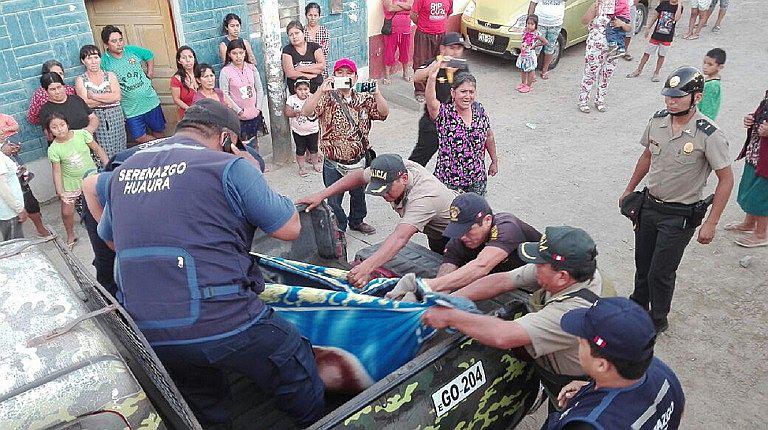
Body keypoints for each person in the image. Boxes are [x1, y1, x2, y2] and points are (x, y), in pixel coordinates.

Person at [88, 99, 324, 427]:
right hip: (224, 320)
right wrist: (251, 170)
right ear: (227, 138)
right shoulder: (230, 167)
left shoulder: (125, 171)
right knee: (291, 355)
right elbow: (289, 228)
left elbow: (111, 240)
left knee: (198, 393)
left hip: (147, 332)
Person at [419, 226, 614, 411]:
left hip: (583, 388)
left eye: (540, 263)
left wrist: (450, 317)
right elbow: (503, 280)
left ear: (562, 276)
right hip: (565, 370)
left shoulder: (574, 311)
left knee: (566, 416)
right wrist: (453, 299)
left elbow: (503, 336)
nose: (534, 266)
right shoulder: (575, 270)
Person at [620, 66, 734, 333]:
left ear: (697, 97)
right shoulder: (658, 121)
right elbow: (647, 157)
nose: (671, 101)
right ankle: (637, 308)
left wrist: (712, 223)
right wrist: (629, 189)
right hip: (649, 206)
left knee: (661, 271)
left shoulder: (709, 134)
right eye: (668, 96)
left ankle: (657, 319)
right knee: (643, 264)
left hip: (679, 215)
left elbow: (726, 180)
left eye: (678, 97)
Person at [299, 153, 458, 287]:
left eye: (387, 190)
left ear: (403, 178)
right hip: (436, 231)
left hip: (458, 236)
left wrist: (366, 267)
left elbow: (400, 238)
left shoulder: (424, 197)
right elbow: (358, 176)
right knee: (437, 259)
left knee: (450, 282)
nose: (384, 195)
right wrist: (322, 195)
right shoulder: (389, 169)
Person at [548, 297, 685, 429]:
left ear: (601, 365)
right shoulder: (661, 372)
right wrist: (589, 392)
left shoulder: (589, 425)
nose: (578, 343)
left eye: (581, 343)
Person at [301, 58, 389, 235]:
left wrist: (377, 93)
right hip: (334, 163)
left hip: (359, 161)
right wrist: (320, 90)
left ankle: (357, 221)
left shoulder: (363, 98)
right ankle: (339, 228)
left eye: (348, 73)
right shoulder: (326, 98)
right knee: (333, 200)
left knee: (359, 196)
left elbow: (383, 113)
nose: (344, 76)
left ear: (355, 78)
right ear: (333, 76)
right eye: (339, 73)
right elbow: (306, 111)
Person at [393, 192, 540, 294]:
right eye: (459, 229)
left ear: (487, 220)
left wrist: (423, 286)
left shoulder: (507, 227)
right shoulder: (460, 239)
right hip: (505, 283)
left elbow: (481, 266)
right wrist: (428, 298)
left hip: (540, 283)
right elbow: (445, 278)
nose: (462, 237)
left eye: (468, 230)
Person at [426, 69, 497, 195]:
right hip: (448, 182)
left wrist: (494, 161)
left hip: (476, 179)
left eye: (471, 92)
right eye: (463, 91)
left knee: (474, 213)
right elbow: (431, 102)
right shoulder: (444, 114)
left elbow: (489, 136)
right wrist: (432, 78)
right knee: (449, 214)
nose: (468, 96)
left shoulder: (479, 110)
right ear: (453, 93)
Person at [46, 113, 108, 247]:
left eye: (62, 125)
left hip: (90, 177)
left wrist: (107, 165)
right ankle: (70, 235)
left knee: (100, 205)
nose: (60, 129)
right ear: (50, 131)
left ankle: (106, 230)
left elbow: (97, 149)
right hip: (71, 183)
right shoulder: (53, 149)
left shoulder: (82, 134)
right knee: (67, 212)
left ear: (67, 124)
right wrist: (60, 191)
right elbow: (57, 171)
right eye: (54, 127)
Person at [408, 33, 467, 167]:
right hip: (432, 123)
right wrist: (436, 66)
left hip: (454, 123)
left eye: (459, 48)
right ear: (442, 49)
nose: (456, 52)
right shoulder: (434, 63)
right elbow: (417, 77)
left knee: (454, 160)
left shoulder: (462, 66)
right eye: (452, 48)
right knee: (418, 160)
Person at [101, 25, 165, 144]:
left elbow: (149, 55)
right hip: (131, 108)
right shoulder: (104, 61)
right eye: (114, 41)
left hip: (150, 101)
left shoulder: (131, 50)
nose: (119, 43)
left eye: (120, 40)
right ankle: (159, 144)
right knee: (139, 138)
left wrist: (150, 72)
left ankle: (163, 148)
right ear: (106, 44)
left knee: (159, 131)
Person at [727, 91, 768, 248]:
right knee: (749, 189)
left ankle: (761, 234)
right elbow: (761, 113)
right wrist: (751, 119)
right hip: (757, 153)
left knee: (760, 196)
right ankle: (749, 223)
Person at [578, 0, 632, 114]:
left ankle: (600, 100)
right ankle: (583, 101)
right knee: (590, 74)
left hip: (613, 50)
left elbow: (629, 27)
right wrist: (594, 7)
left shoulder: (622, 6)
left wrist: (621, 24)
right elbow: (584, 21)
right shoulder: (598, 5)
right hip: (596, 47)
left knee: (607, 75)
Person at [75, 45, 127, 159]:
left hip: (115, 116)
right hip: (95, 118)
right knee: (101, 148)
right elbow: (86, 103)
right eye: (89, 58)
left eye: (96, 57)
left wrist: (94, 96)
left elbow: (117, 96)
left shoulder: (110, 75)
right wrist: (107, 98)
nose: (93, 61)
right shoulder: (81, 80)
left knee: (119, 144)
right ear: (83, 61)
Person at [0, 115, 48, 237]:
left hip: (17, 178)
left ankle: (41, 229)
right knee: (12, 231)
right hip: (6, 190)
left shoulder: (5, 139)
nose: (2, 131)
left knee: (29, 201)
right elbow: (3, 187)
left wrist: (11, 150)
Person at [627, 0, 683, 83]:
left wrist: (680, 4)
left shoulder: (679, 7)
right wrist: (648, 27)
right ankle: (638, 70)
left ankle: (656, 72)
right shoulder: (664, 4)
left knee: (661, 55)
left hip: (667, 36)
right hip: (656, 34)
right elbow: (655, 17)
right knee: (646, 53)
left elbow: (676, 18)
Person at [220, 39, 265, 143]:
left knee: (254, 142)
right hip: (238, 117)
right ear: (229, 54)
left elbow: (259, 89)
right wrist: (239, 111)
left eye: (241, 53)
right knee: (242, 145)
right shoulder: (225, 72)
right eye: (234, 53)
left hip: (254, 113)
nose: (238, 56)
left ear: (245, 53)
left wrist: (258, 108)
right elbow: (224, 94)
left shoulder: (251, 68)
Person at [411, 0, 453, 102]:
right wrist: (423, 24)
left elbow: (448, 14)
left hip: (441, 35)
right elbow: (413, 15)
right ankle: (420, 90)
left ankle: (436, 87)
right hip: (424, 34)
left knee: (440, 62)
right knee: (420, 61)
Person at [38, 72, 99, 139]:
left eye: (59, 87)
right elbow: (49, 136)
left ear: (64, 86)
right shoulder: (45, 110)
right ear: (46, 91)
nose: (57, 92)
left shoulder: (76, 99)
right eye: (53, 89)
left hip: (89, 142)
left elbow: (93, 117)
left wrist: (89, 130)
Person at [285, 79, 321, 176]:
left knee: (314, 149)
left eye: (305, 89)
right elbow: (287, 112)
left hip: (313, 130)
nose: (303, 92)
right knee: (300, 150)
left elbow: (319, 111)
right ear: (295, 89)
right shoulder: (292, 99)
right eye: (300, 89)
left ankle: (315, 163)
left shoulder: (313, 98)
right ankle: (302, 167)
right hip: (298, 131)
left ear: (309, 89)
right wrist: (295, 112)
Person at [26, 60, 76, 126]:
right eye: (54, 74)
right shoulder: (40, 94)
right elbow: (32, 118)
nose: (58, 76)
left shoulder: (70, 89)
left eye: (60, 73)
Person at [282, 20, 326, 95]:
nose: (294, 37)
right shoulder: (287, 50)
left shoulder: (314, 46)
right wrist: (310, 75)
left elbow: (322, 66)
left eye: (297, 33)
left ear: (303, 33)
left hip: (317, 89)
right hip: (298, 94)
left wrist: (301, 68)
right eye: (291, 35)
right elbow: (290, 73)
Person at [528, 0, 565, 80]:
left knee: (550, 48)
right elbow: (533, 3)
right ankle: (532, 71)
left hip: (555, 23)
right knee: (536, 47)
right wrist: (530, 21)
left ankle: (545, 70)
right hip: (540, 23)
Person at [382, 0, 414, 85]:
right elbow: (389, 8)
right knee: (389, 52)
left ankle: (405, 73)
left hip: (406, 29)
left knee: (405, 52)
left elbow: (410, 7)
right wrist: (404, 7)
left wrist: (398, 4)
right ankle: (387, 76)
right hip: (392, 30)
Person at [0, 140, 26, 240]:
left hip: (9, 209)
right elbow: (3, 188)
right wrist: (19, 209)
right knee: (15, 245)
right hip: (9, 211)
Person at [516, 15, 548, 93]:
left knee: (530, 69)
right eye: (528, 23)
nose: (530, 26)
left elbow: (545, 42)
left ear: (536, 25)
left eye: (532, 24)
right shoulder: (525, 31)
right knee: (523, 68)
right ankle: (523, 83)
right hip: (523, 53)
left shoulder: (536, 34)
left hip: (530, 54)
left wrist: (535, 45)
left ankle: (529, 85)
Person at [170, 46, 199, 119]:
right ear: (179, 61)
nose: (188, 60)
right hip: (188, 114)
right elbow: (176, 99)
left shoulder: (201, 73)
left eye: (190, 57)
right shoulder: (176, 79)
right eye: (184, 58)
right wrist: (190, 109)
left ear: (194, 59)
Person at [304, 2, 331, 77]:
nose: (313, 18)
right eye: (310, 15)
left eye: (315, 15)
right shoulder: (302, 31)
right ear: (306, 15)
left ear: (319, 16)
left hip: (321, 67)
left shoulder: (324, 31)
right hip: (307, 67)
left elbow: (325, 50)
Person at [699, 47, 725, 121]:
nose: (705, 67)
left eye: (710, 64)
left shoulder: (712, 85)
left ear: (720, 67)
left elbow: (708, 110)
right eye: (704, 63)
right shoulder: (709, 80)